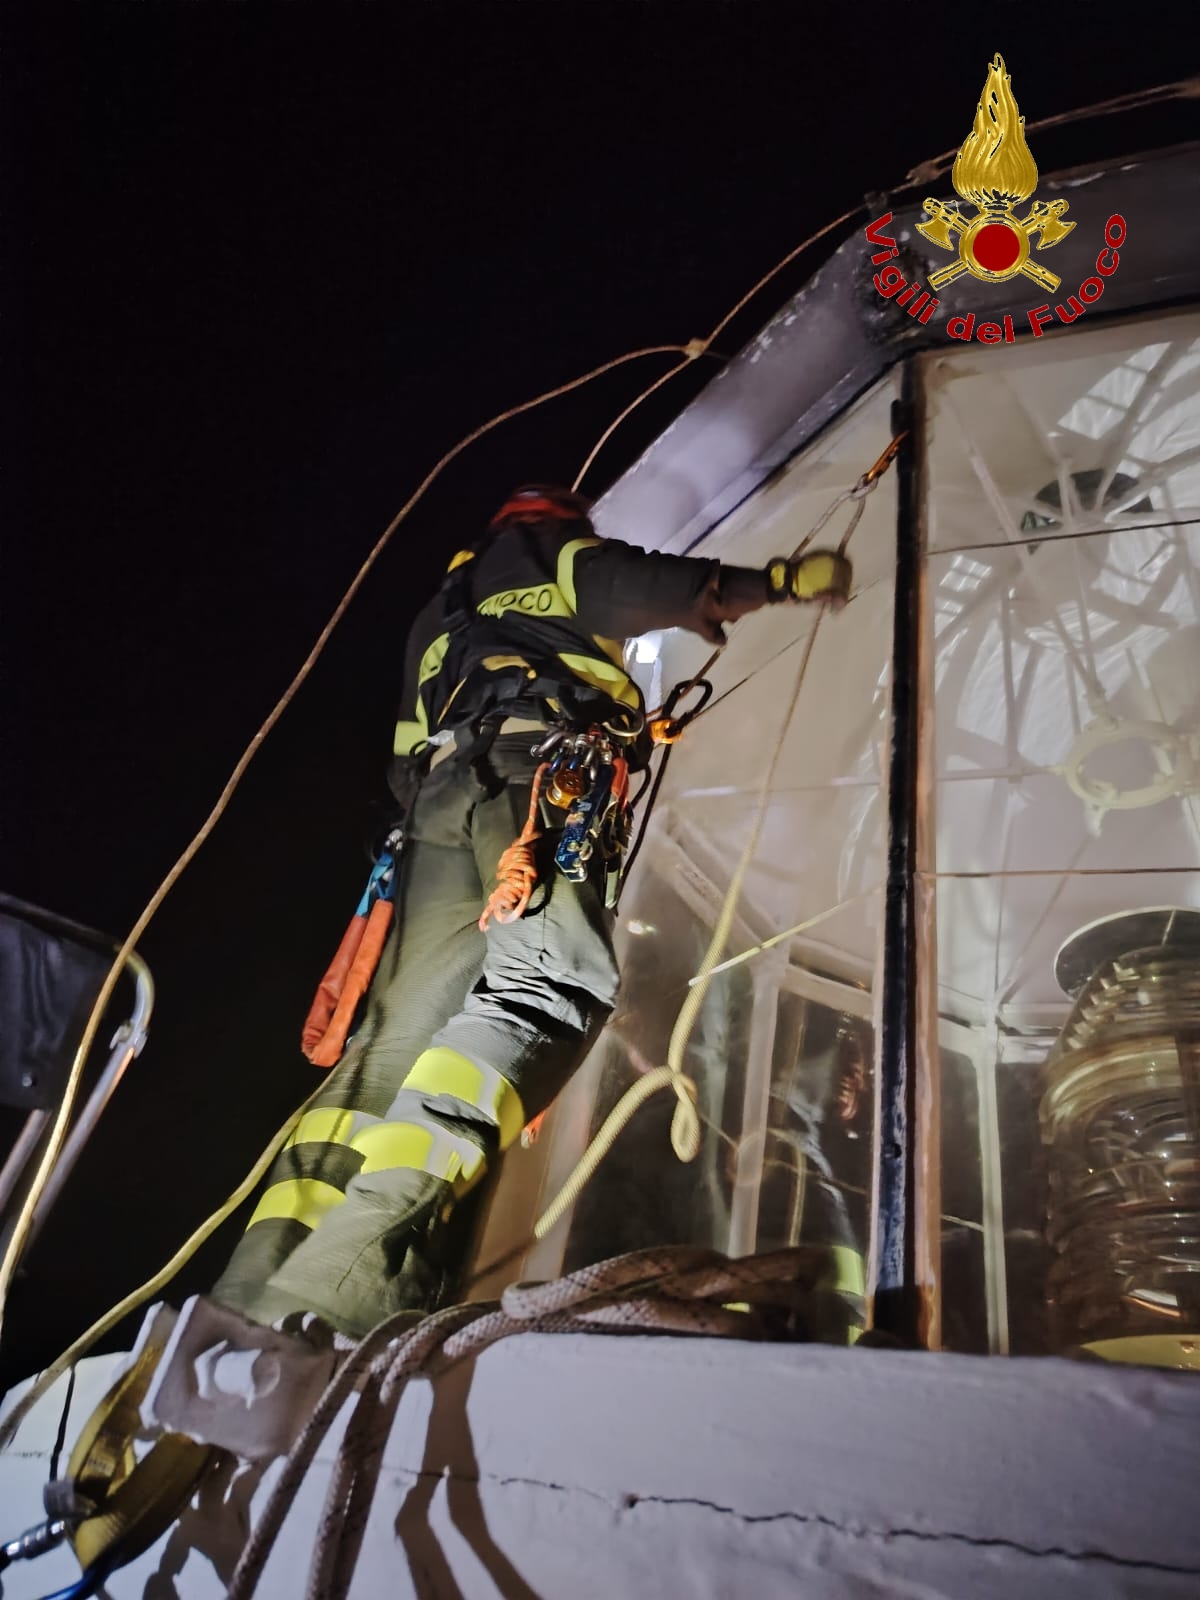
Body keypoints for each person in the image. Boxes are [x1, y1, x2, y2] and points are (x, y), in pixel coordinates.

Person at [212, 485, 852, 1337]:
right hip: (540, 781)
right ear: (558, 524)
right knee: (547, 989)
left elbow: (404, 757)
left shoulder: (437, 616)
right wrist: (775, 582)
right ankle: (341, 1293)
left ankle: (250, 1298)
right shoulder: (547, 555)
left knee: (393, 1045)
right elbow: (635, 585)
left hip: (436, 812)